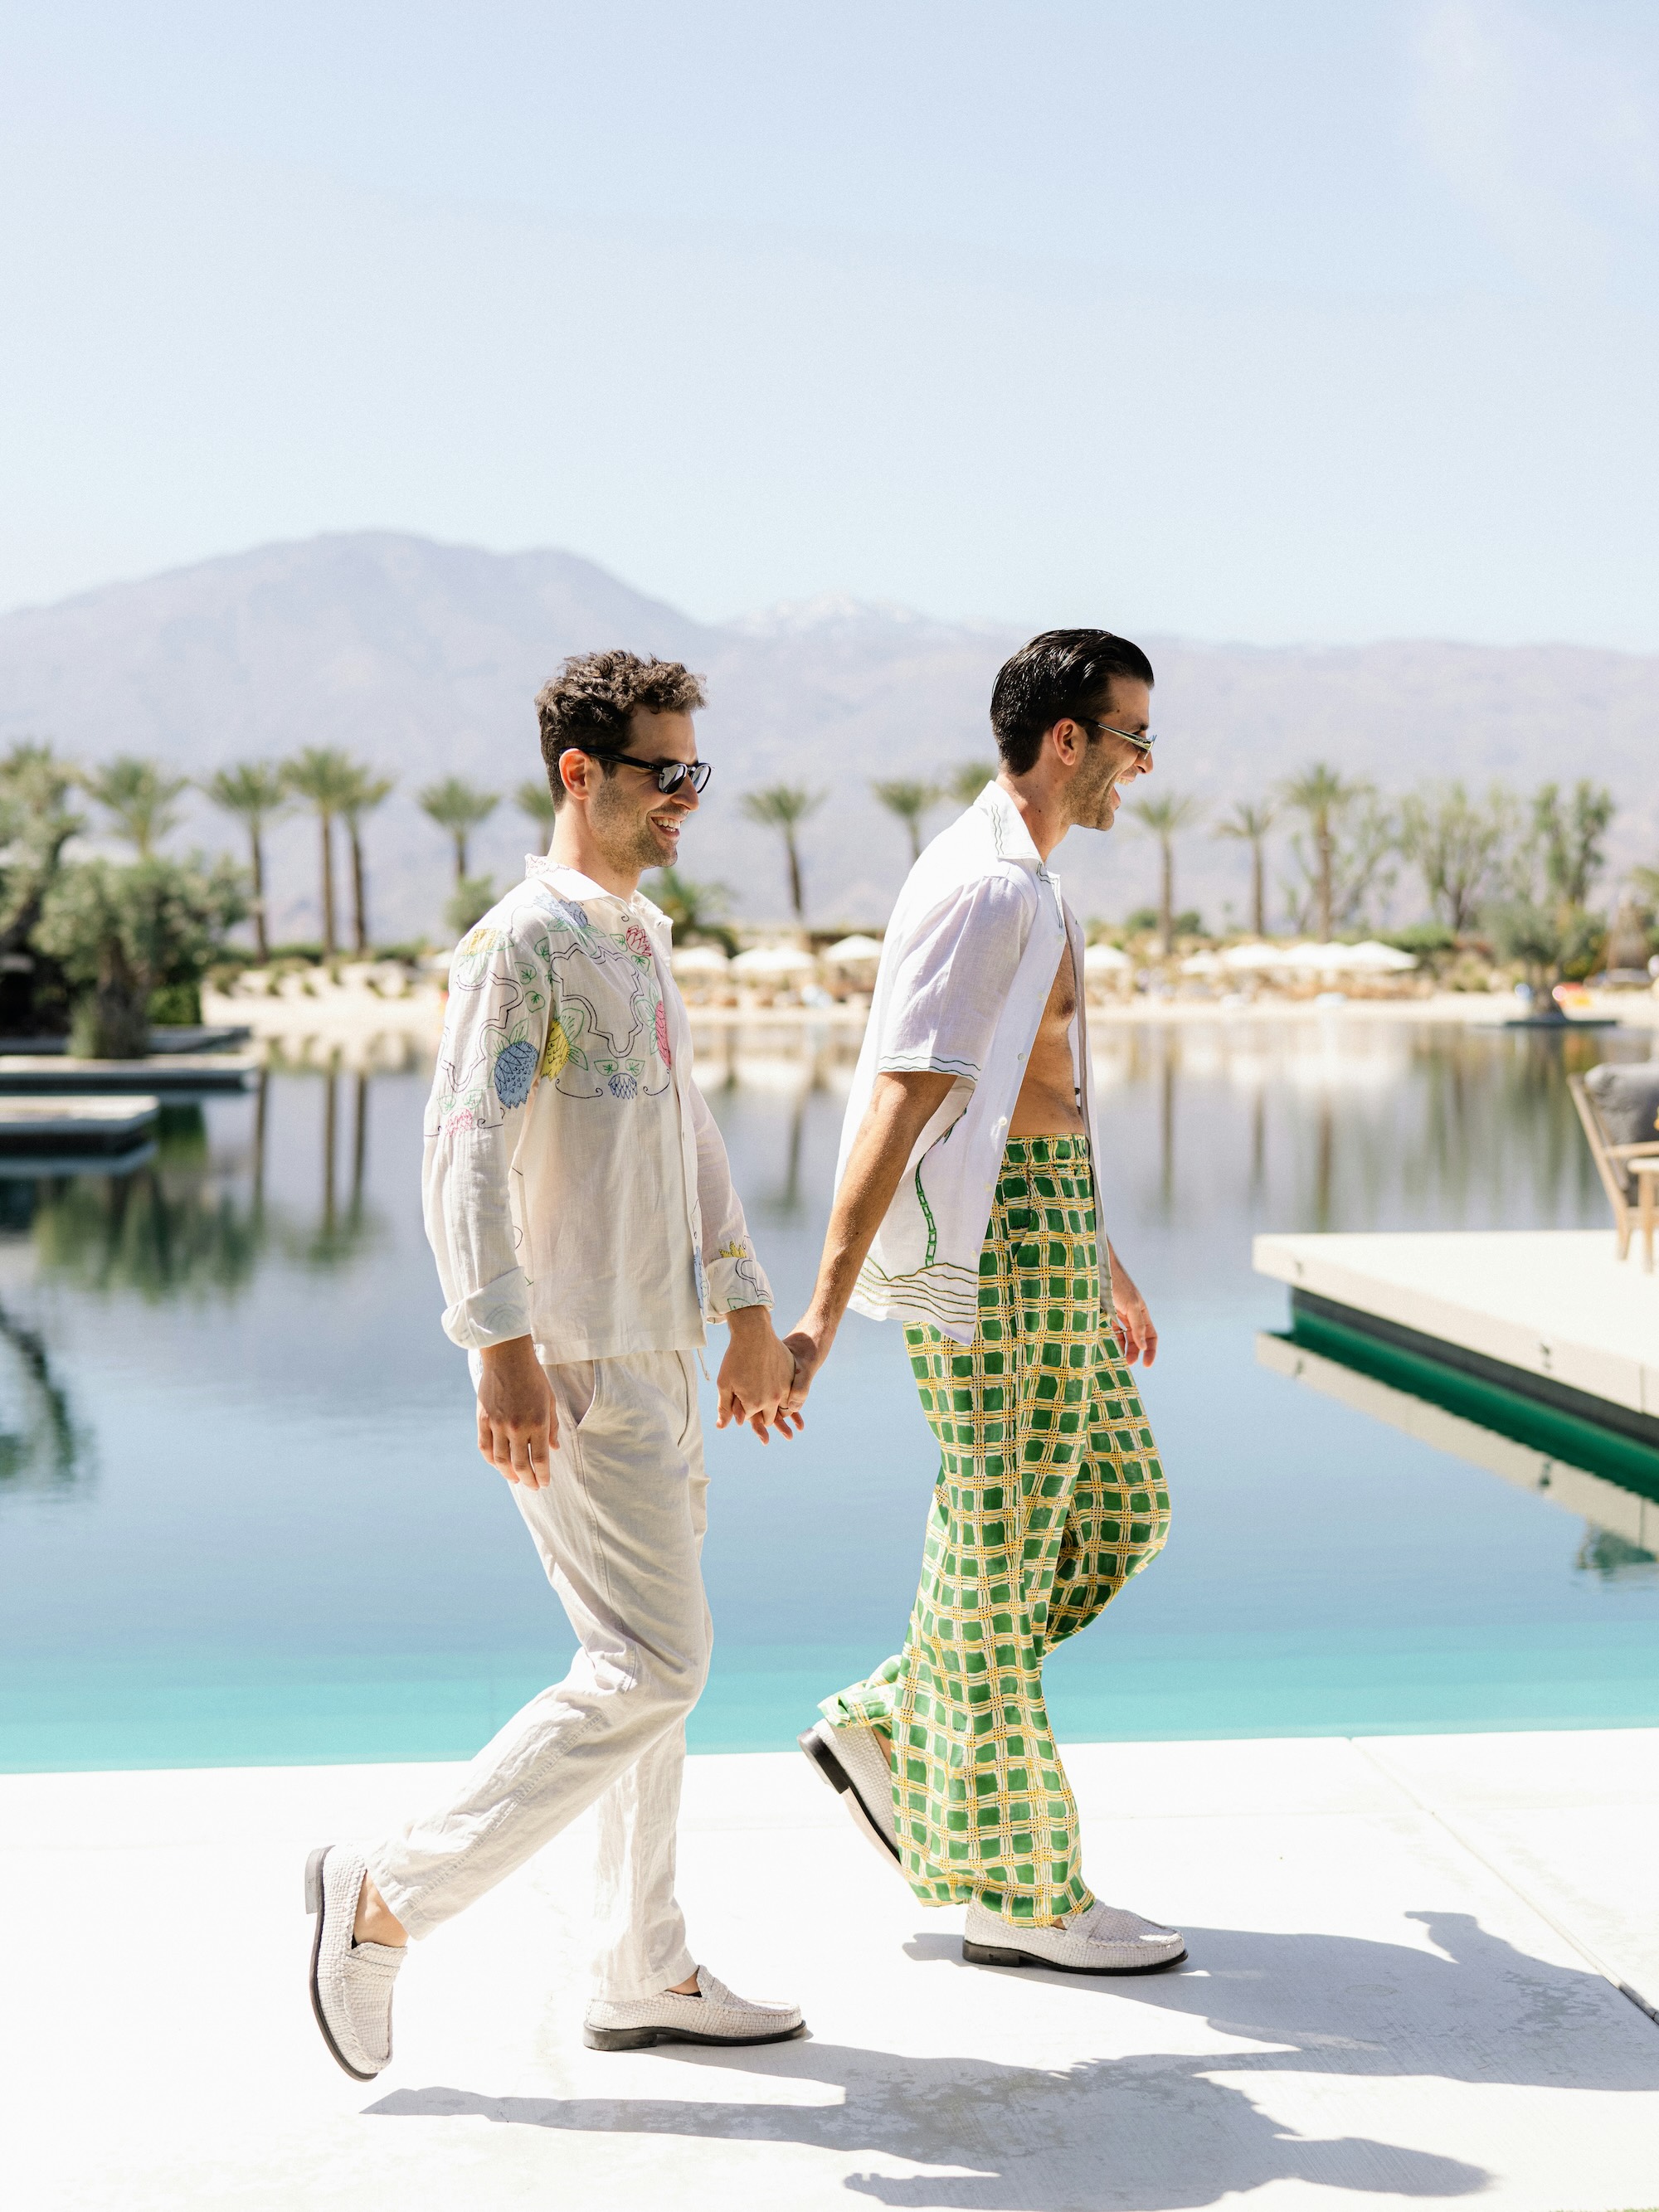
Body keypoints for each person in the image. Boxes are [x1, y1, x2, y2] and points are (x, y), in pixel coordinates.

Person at [306, 649, 805, 2078]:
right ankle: (387, 1893)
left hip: (661, 1342)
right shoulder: (521, 942)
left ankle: (642, 1967)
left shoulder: (635, 938)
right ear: (580, 772)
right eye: (666, 776)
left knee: (651, 1667)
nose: (685, 805)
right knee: (656, 1661)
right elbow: (461, 1154)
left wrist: (748, 1306)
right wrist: (501, 1351)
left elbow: (688, 1132)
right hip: (575, 1359)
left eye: (696, 776)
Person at [785, 629, 1185, 1976]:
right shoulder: (990, 888)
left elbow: (1034, 1092)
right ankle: (1024, 1895)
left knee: (1122, 1510)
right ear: (1066, 738)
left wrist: (1106, 1257)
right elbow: (903, 1090)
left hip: (1055, 1233)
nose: (1140, 762)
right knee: (999, 1557)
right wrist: (825, 1311)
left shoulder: (1026, 878)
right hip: (999, 1256)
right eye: (1131, 735)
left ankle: (893, 1718)